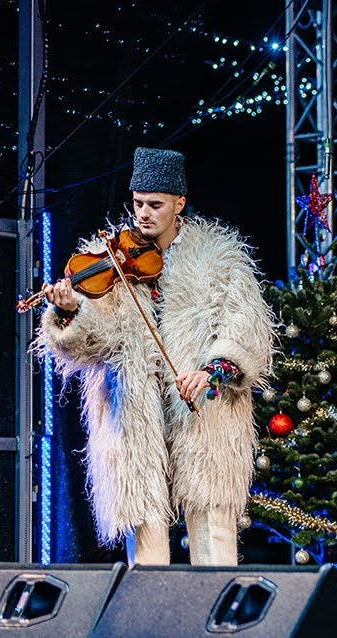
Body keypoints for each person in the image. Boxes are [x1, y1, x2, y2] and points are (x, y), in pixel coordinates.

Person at [35, 147, 273, 566]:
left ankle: (217, 627)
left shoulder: (218, 258)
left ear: (179, 203)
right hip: (135, 412)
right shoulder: (109, 257)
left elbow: (245, 326)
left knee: (213, 526)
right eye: (138, 203)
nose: (143, 214)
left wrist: (213, 372)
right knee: (144, 537)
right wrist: (71, 310)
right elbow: (94, 342)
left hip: (201, 411)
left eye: (155, 205)